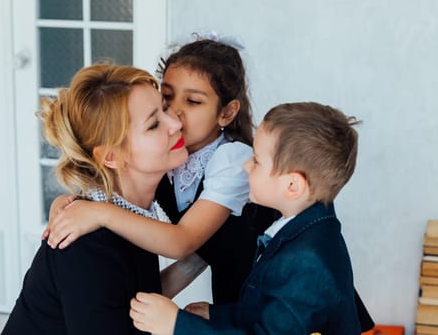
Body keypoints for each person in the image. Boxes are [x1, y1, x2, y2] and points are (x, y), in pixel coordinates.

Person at [43, 36, 278, 304]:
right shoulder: (170, 155)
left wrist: (99, 213)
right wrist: (68, 203)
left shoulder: (232, 159)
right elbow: (117, 181)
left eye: (193, 102)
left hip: (262, 287)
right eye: (166, 98)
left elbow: (181, 241)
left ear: (226, 113)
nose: (175, 114)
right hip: (224, 276)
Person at [129, 101, 365, 334]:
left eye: (257, 161)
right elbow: (269, 308)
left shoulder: (308, 260)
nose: (246, 166)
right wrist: (220, 315)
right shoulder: (305, 228)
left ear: (292, 185)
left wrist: (177, 325)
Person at [1, 64, 188, 334]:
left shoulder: (132, 209)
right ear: (112, 156)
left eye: (165, 108)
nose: (176, 123)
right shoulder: (85, 247)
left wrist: (204, 256)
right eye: (154, 124)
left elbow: (131, 302)